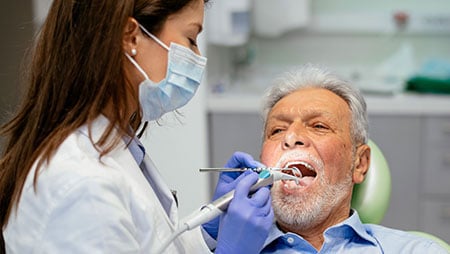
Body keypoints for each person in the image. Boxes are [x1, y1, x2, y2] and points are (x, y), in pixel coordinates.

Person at [0, 0, 273, 253]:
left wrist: (209, 231)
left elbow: (151, 242)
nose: (197, 57)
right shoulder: (78, 184)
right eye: (190, 38)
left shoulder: (117, 146)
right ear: (131, 37)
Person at [257, 64, 448, 253]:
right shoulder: (234, 246)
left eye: (319, 126)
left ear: (359, 164)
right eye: (277, 130)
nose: (291, 137)